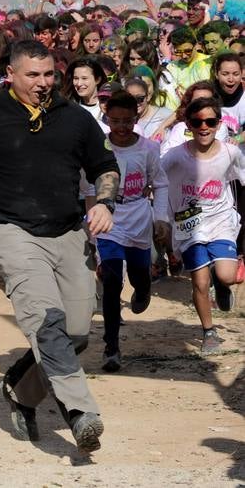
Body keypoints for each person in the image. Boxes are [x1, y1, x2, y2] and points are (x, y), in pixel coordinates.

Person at [0, 39, 117, 453]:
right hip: (8, 230)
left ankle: (20, 389)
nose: (43, 83)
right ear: (10, 74)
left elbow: (105, 167)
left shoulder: (75, 117)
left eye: (49, 74)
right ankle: (81, 412)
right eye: (33, 75)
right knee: (46, 321)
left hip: (68, 231)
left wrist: (104, 202)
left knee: (77, 333)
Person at [155, 95, 245, 356]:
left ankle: (223, 283)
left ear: (219, 124)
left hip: (220, 220)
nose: (204, 127)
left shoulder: (230, 152)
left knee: (227, 275)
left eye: (210, 121)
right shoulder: (175, 156)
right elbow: (158, 179)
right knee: (200, 283)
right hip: (188, 225)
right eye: (197, 122)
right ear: (189, 125)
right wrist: (160, 216)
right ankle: (209, 333)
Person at [93, 90, 166, 372]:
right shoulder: (99, 148)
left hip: (138, 217)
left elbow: (159, 184)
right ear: (107, 119)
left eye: (127, 121)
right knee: (111, 280)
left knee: (138, 274)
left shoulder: (148, 149)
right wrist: (91, 228)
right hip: (108, 218)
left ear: (136, 118)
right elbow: (88, 188)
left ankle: (144, 288)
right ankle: (111, 348)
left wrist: (161, 218)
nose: (122, 127)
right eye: (115, 121)